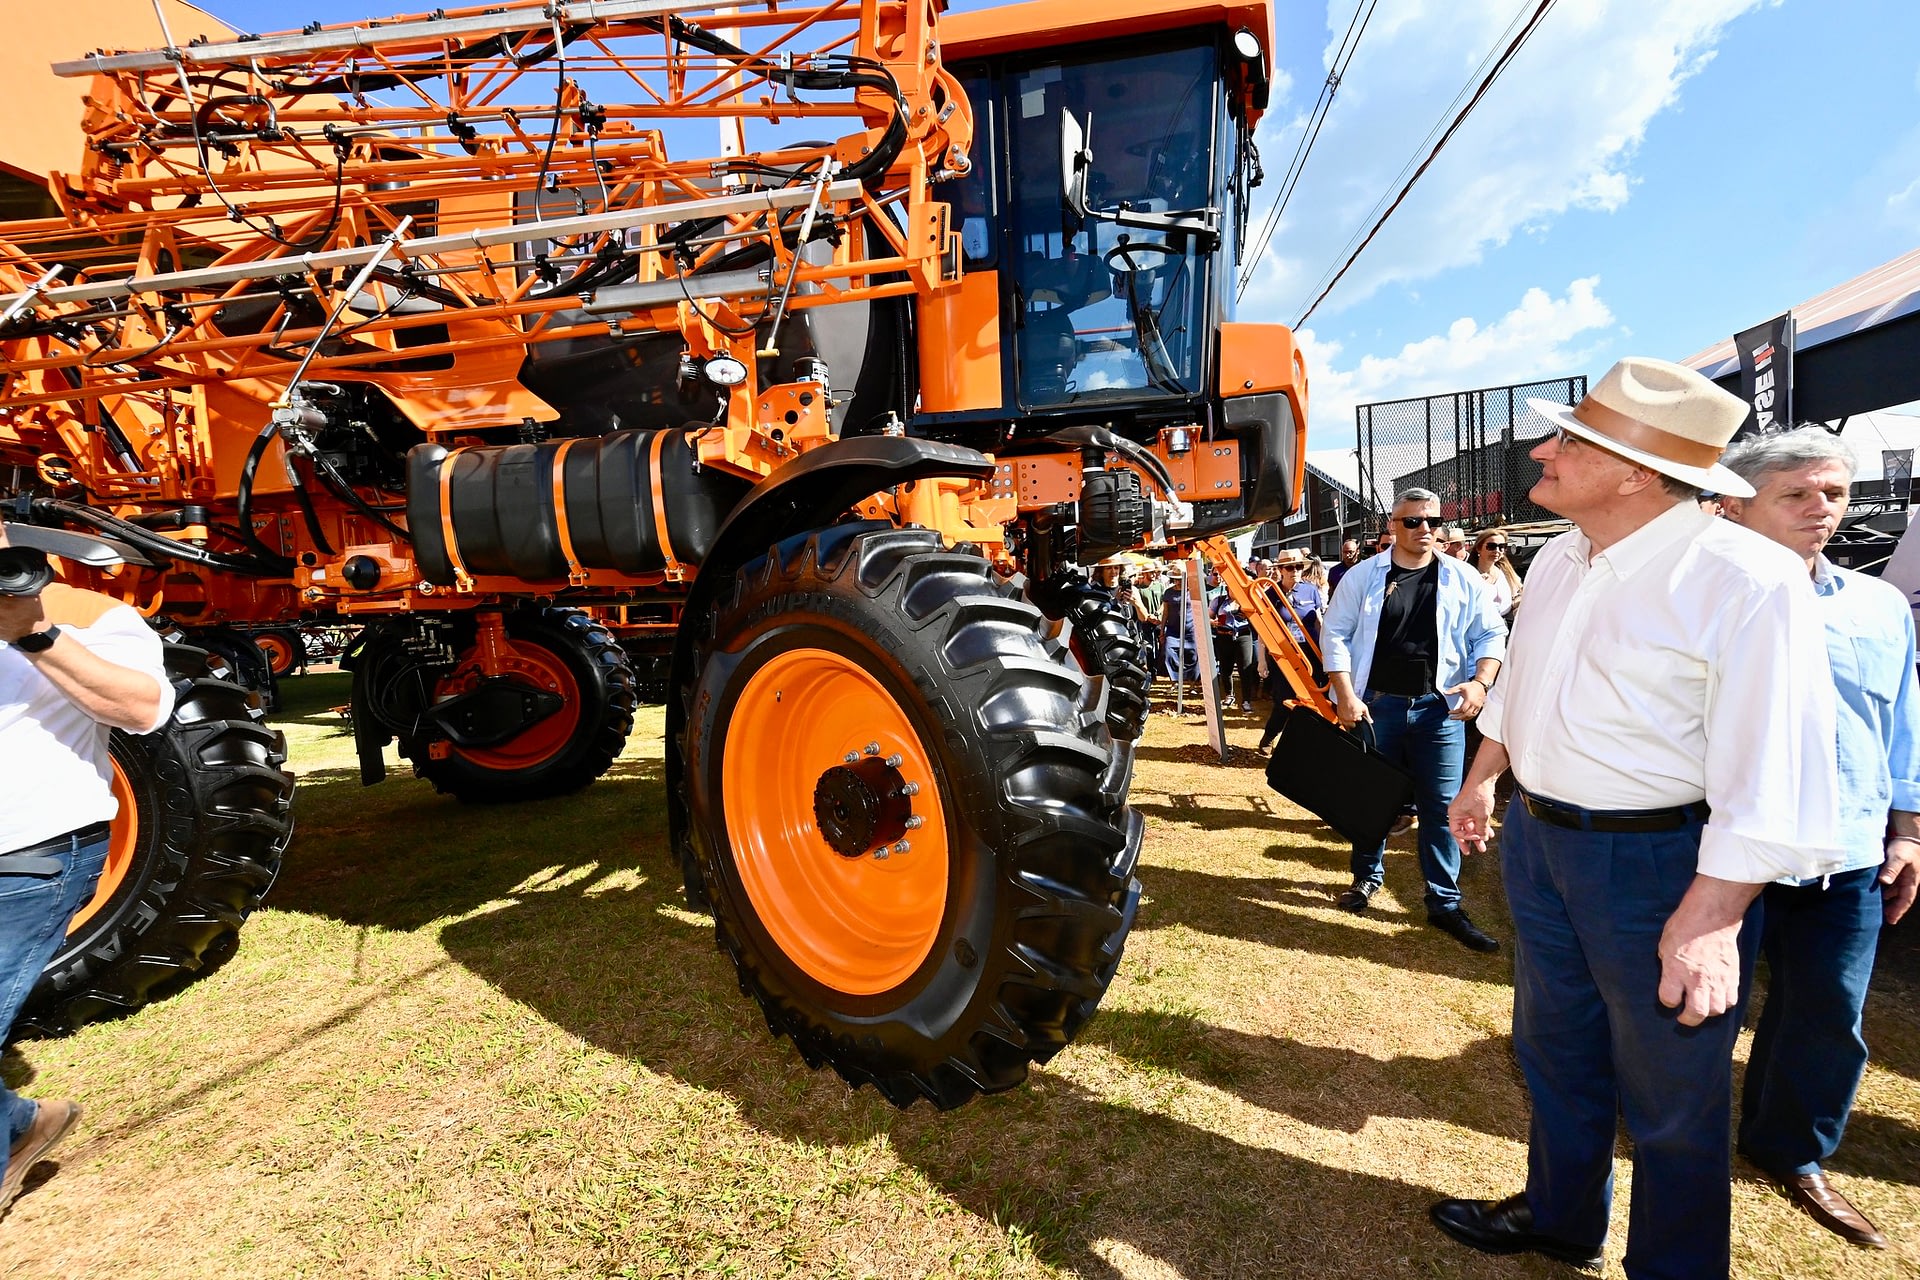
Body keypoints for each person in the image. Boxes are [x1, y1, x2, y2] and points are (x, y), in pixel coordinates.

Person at [1436, 358, 1846, 1280]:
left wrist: (1710, 920)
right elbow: (1526, 686)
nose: (1540, 451)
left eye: (1567, 441)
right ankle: (1561, 1217)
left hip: (1661, 867)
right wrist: (1485, 776)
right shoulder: (1555, 557)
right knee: (1554, 1049)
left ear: (1635, 472)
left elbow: (1773, 770)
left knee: (1672, 1097)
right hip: (1541, 848)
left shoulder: (1747, 580)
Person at [1719, 428, 1919, 1250]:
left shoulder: (1877, 607)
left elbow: (1901, 721)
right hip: (1726, 847)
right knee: (1700, 1009)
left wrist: (1907, 830)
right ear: (1738, 504)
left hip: (1848, 854)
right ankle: (1674, 1135)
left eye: (1834, 493)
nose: (1822, 510)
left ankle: (1793, 1152)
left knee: (1829, 1010)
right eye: (1797, 494)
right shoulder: (1709, 598)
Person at [0, 522, 174, 1219]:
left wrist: (33, 633)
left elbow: (140, 707)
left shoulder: (83, 612)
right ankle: (21, 1127)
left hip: (34, 857)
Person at [1319, 488, 1506, 950]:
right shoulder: (1363, 576)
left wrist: (1481, 682)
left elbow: (1490, 632)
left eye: (1433, 521)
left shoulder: (1463, 577)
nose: (1425, 529)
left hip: (1438, 710)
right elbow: (1336, 633)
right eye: (1413, 522)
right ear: (1393, 525)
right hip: (1375, 705)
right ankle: (1366, 879)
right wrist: (1344, 693)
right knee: (1373, 798)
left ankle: (1444, 903)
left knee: (1443, 807)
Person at [1255, 553, 1325, 754]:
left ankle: (1306, 744)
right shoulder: (1271, 595)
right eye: (1289, 568)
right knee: (1284, 699)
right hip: (1284, 655)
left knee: (1314, 699)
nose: (1294, 571)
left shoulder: (1310, 590)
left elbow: (1319, 623)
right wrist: (1262, 661)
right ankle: (1269, 738)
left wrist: (1326, 653)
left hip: (1310, 653)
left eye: (1298, 567)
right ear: (1280, 570)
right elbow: (1264, 631)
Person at [1469, 528, 1522, 619]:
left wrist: (1516, 603)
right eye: (1491, 546)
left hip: (1505, 623)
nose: (1497, 550)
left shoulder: (1505, 570)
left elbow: (1518, 593)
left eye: (1502, 547)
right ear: (1478, 548)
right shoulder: (1469, 573)